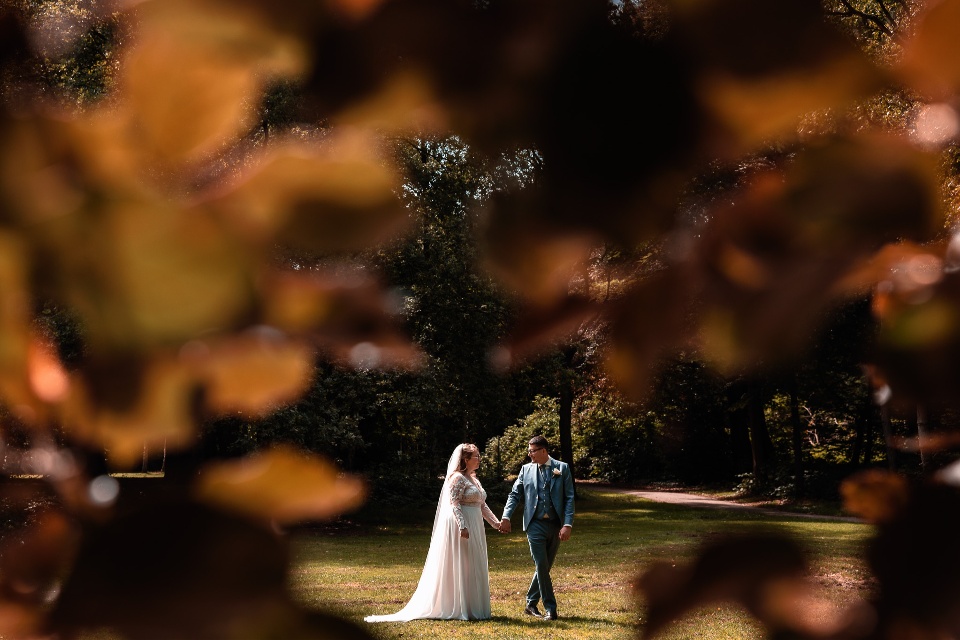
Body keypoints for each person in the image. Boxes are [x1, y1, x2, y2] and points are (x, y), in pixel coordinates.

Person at [365, 443, 502, 622]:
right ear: (466, 459)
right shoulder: (457, 478)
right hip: (462, 525)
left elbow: (481, 505)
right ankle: (460, 606)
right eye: (476, 456)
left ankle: (474, 606)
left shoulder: (474, 479)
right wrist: (462, 526)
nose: (479, 459)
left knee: (474, 563)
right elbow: (454, 503)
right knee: (463, 563)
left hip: (476, 524)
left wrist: (496, 523)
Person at [499, 435, 575, 621]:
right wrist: (506, 516)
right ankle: (551, 608)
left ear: (543, 451)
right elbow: (514, 494)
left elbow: (569, 498)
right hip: (534, 524)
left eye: (532, 451)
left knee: (545, 566)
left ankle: (531, 603)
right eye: (529, 450)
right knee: (541, 564)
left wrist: (567, 524)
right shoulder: (526, 470)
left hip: (556, 524)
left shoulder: (562, 468)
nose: (529, 454)